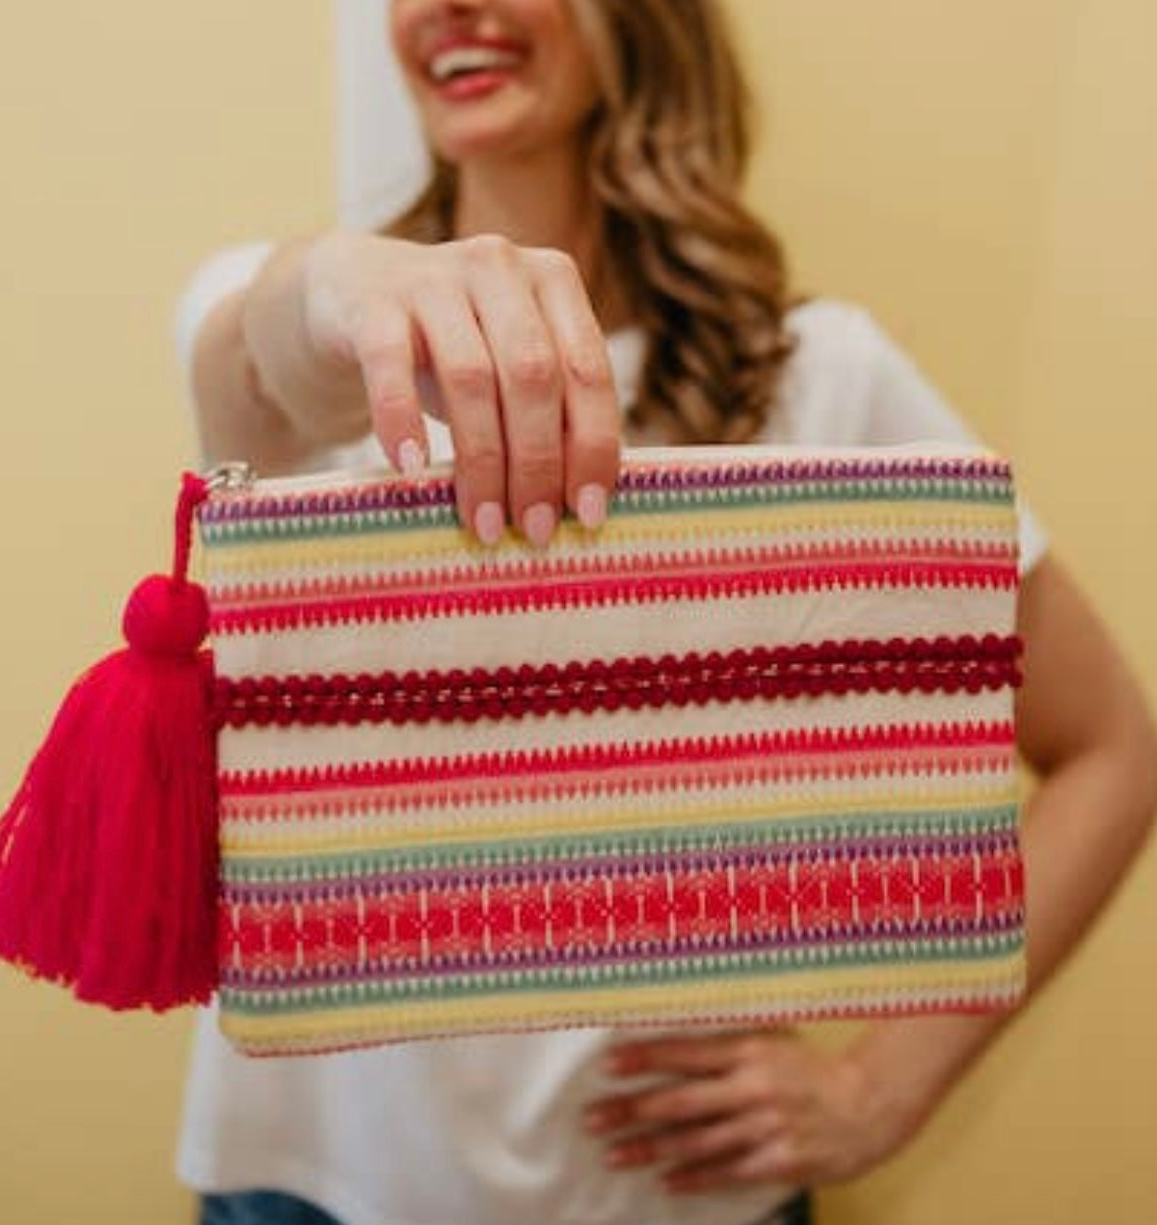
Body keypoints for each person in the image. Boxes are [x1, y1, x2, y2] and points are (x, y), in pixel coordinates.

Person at [173, 2, 1157, 1223]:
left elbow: (1110, 745)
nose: (449, 7)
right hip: (314, 1189)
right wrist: (334, 276)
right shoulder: (329, 336)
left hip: (673, 1201)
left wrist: (877, 1087)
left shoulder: (818, 374)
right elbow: (261, 355)